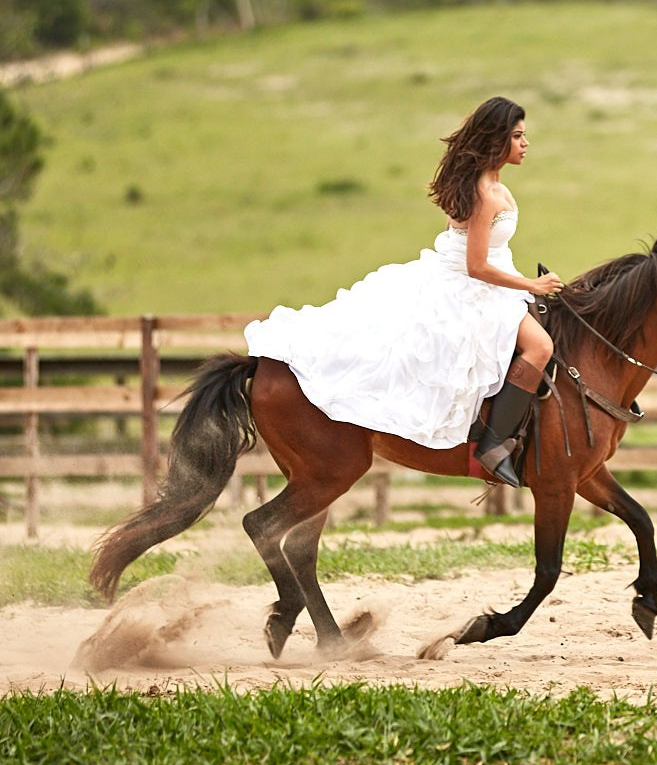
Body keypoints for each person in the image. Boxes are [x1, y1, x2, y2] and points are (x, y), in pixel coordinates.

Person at [243, 96, 567, 486]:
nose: (525, 144)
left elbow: (492, 255)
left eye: (524, 136)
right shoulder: (485, 193)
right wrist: (530, 285)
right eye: (517, 137)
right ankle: (493, 445)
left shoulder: (493, 184)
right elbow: (476, 265)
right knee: (541, 348)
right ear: (497, 141)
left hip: (486, 282)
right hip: (470, 287)